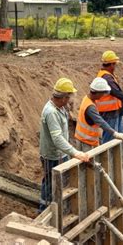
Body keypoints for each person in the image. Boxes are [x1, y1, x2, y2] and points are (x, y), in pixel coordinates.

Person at [38, 78, 90, 213]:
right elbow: (57, 138)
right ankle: (44, 211)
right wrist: (75, 152)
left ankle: (60, 207)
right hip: (52, 156)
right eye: (69, 97)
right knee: (50, 185)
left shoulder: (60, 108)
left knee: (61, 183)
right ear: (63, 98)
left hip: (61, 153)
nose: (70, 100)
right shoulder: (51, 112)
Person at [74, 77, 123, 151]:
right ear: (97, 92)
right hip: (86, 142)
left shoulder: (87, 99)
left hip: (84, 139)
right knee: (88, 162)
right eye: (102, 93)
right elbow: (100, 121)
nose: (103, 95)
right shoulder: (90, 107)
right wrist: (115, 133)